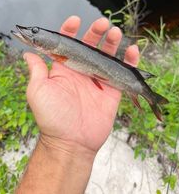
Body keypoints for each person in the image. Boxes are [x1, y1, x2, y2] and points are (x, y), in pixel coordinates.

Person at [15, 16, 139, 194]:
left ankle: (140, 86)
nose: (32, 32)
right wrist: (63, 143)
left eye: (35, 31)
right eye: (34, 31)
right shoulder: (54, 49)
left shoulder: (57, 48)